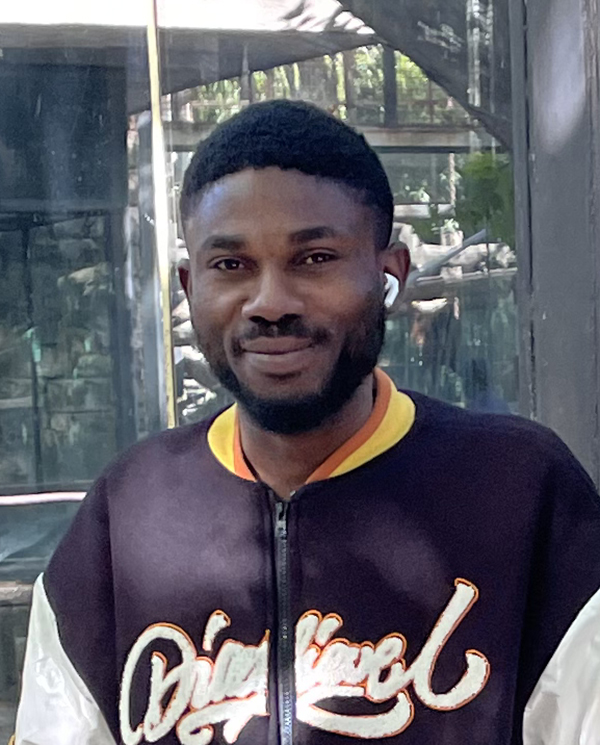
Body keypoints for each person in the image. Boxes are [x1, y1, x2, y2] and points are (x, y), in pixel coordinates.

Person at [12, 100, 600, 745]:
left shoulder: (520, 492)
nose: (270, 303)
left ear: (389, 274)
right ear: (189, 286)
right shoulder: (126, 515)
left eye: (314, 258)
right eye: (230, 265)